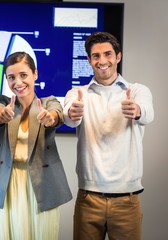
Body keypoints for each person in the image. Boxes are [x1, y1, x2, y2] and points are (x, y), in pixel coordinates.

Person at [63, 32, 154, 240]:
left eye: (108, 54)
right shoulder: (77, 94)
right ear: (89, 60)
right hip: (88, 199)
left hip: (127, 201)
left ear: (118, 56)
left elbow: (148, 113)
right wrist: (71, 113)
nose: (102, 61)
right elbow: (69, 116)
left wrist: (137, 110)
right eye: (96, 56)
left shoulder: (137, 91)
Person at [0, 51, 72, 240]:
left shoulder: (48, 102)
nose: (18, 83)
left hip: (41, 184)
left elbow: (57, 113)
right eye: (11, 77)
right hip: (9, 184)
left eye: (23, 75)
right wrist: (0, 115)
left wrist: (50, 117)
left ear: (35, 74)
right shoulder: (4, 103)